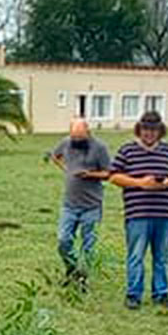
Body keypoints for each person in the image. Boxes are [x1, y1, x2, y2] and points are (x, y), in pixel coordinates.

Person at [108, 109, 168, 309]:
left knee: (162, 256)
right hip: (138, 213)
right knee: (136, 255)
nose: (149, 133)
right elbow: (114, 176)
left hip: (166, 212)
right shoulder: (127, 150)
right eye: (145, 129)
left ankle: (161, 293)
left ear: (160, 131)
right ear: (139, 129)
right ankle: (134, 294)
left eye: (153, 130)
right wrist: (139, 183)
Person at [47, 118, 111, 286]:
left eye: (80, 139)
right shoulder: (66, 142)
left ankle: (83, 278)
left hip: (92, 205)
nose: (76, 142)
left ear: (88, 133)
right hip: (69, 204)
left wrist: (89, 175)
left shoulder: (100, 148)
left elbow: (109, 173)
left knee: (88, 245)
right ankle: (73, 269)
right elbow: (55, 156)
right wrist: (66, 169)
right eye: (74, 138)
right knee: (63, 240)